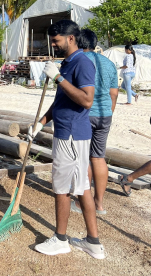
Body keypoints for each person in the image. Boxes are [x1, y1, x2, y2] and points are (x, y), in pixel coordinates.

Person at [28, 20, 105, 259]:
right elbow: (61, 101)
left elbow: (86, 100)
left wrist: (59, 78)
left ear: (70, 38)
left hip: (71, 136)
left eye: (56, 40)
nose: (53, 44)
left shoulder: (82, 63)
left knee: (62, 189)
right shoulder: (68, 62)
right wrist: (41, 122)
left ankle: (60, 239)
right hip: (69, 132)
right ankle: (93, 242)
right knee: (82, 188)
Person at [70, 29, 118, 215]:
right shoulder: (108, 63)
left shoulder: (79, 60)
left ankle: (83, 203)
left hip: (85, 114)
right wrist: (108, 112)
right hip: (105, 114)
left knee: (83, 159)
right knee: (98, 157)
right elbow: (113, 93)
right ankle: (99, 204)